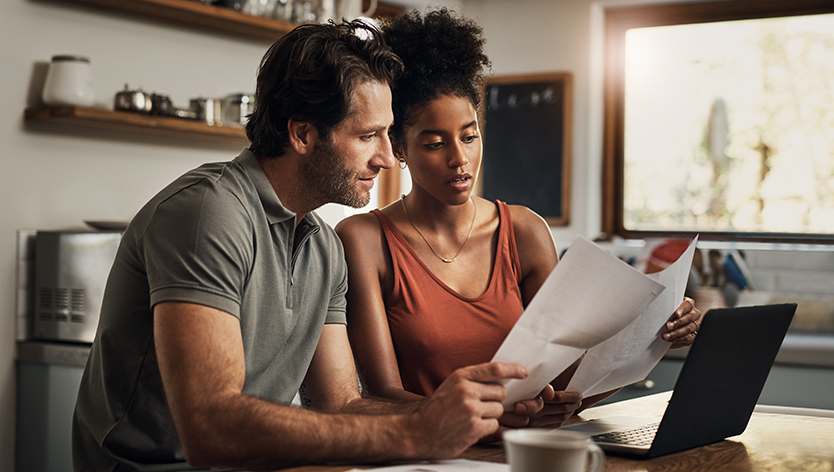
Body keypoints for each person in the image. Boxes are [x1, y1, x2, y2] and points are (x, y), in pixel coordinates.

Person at [72, 20, 541, 472]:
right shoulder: (208, 213)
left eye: (386, 133)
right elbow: (209, 428)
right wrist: (415, 434)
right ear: (302, 134)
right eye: (366, 136)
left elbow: (341, 404)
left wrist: (455, 414)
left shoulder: (323, 248)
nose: (384, 156)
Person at [335, 8, 702, 435]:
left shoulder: (524, 231)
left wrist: (655, 334)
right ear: (397, 146)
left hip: (526, 452)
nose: (460, 159)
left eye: (470, 136)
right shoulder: (365, 240)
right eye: (435, 143)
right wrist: (487, 418)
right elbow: (381, 396)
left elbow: (567, 381)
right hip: (429, 458)